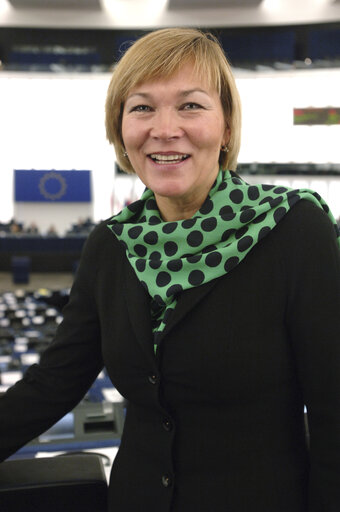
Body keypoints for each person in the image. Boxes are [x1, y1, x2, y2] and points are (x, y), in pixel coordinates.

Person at [1, 28, 340, 512]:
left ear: (226, 128)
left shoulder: (294, 229)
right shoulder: (110, 245)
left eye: (190, 106)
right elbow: (54, 383)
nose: (164, 128)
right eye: (141, 107)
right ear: (120, 130)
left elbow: (334, 416)